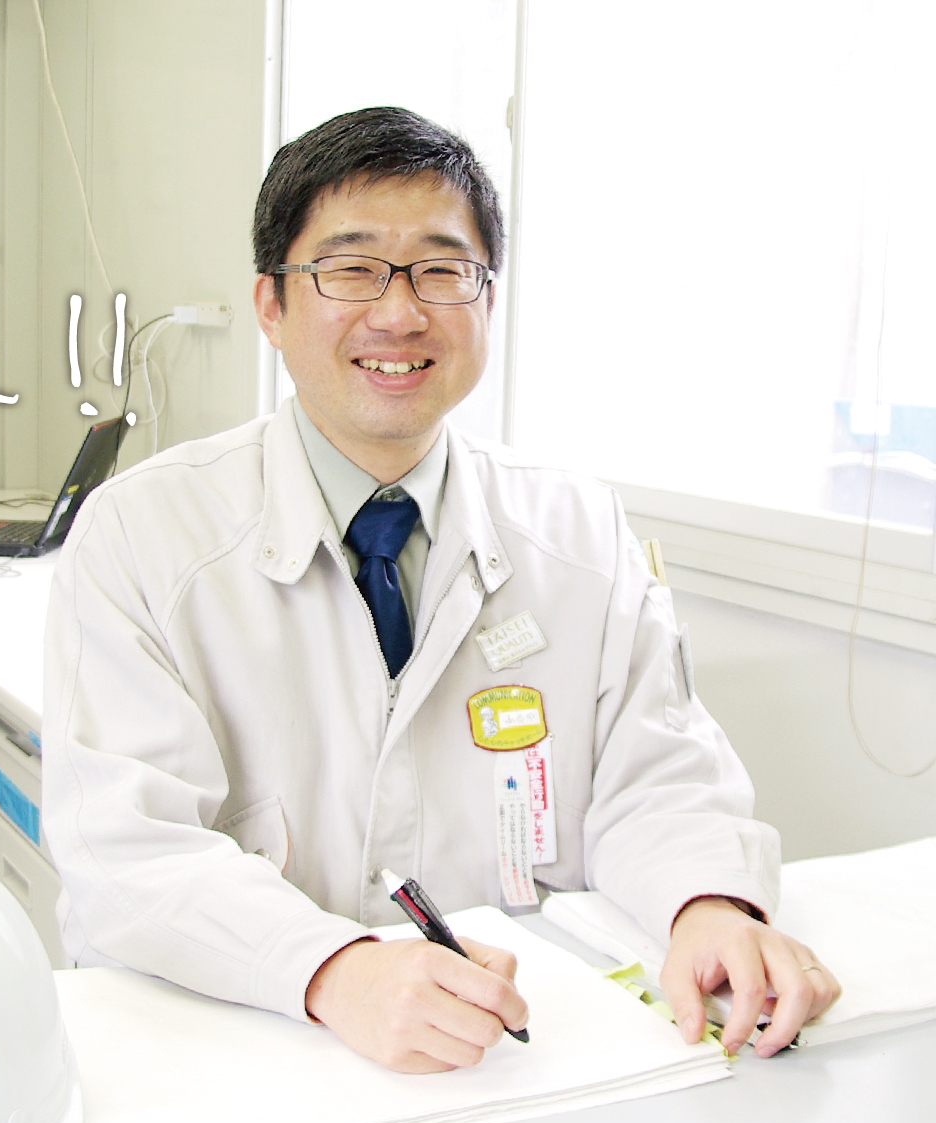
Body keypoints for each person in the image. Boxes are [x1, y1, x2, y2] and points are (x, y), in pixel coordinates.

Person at [41, 107, 838, 1073]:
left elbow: (659, 775)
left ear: (488, 302)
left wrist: (706, 904)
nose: (399, 313)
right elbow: (125, 849)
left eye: (441, 270)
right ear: (271, 305)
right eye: (351, 268)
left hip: (515, 1062)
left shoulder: (579, 533)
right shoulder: (144, 534)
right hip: (240, 1056)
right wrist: (332, 969)